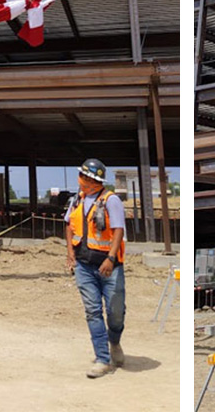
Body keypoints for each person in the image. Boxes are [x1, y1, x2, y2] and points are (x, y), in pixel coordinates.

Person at [65, 158, 126, 379]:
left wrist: (110, 258)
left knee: (115, 311)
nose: (82, 180)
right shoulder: (76, 201)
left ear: (95, 180)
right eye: (81, 176)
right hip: (83, 265)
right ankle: (102, 359)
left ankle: (115, 342)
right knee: (93, 312)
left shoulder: (111, 201)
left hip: (109, 266)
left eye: (86, 177)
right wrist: (70, 253)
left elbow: (118, 230)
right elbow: (69, 226)